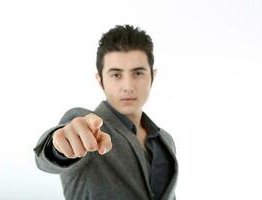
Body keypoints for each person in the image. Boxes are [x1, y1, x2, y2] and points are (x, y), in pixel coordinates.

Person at [33, 24, 178, 200]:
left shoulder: (166, 140)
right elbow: (47, 157)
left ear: (152, 76)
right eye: (116, 75)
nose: (128, 86)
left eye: (138, 73)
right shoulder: (87, 125)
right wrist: (59, 146)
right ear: (100, 80)